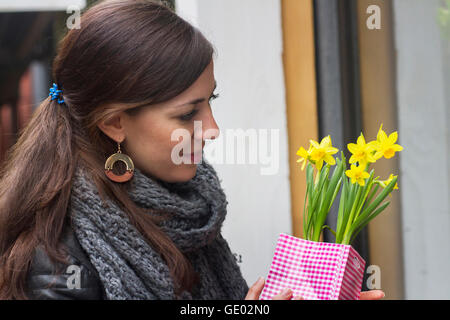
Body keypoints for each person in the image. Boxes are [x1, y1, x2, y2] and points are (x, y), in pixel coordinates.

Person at [0, 0, 384, 300]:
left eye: (209, 101)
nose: (212, 130)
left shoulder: (183, 213)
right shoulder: (52, 261)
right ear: (114, 122)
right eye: (187, 114)